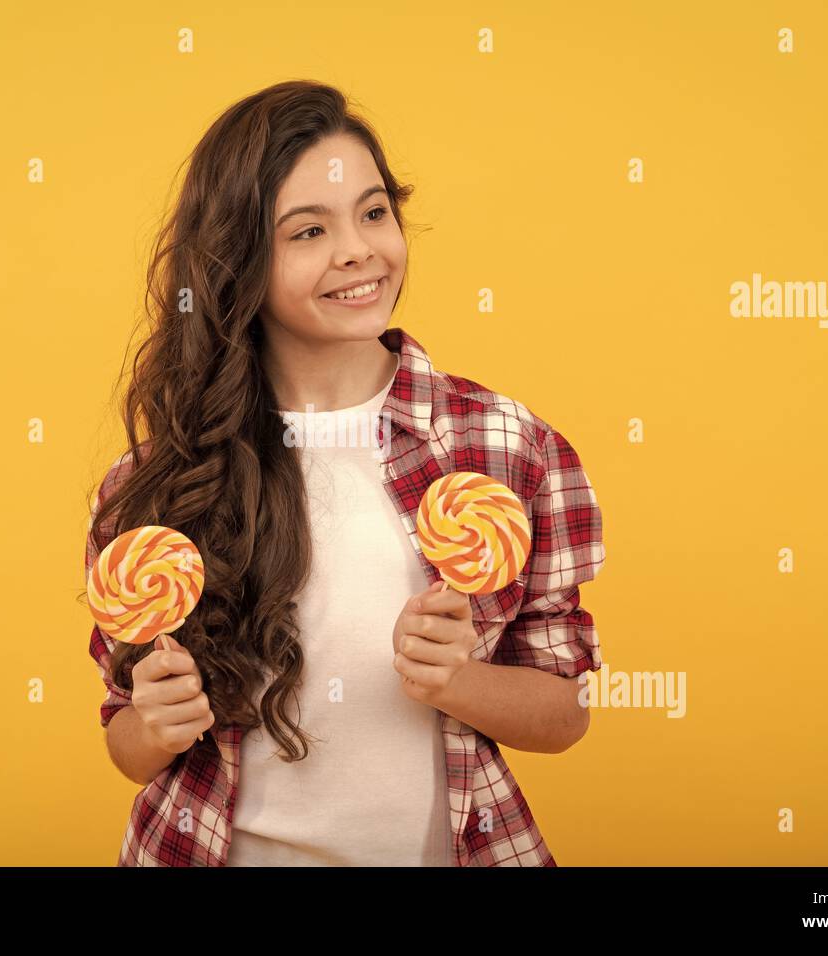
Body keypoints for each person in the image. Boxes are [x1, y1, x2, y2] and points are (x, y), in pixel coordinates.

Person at [84, 80, 605, 866]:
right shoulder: (159, 484)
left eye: (373, 212)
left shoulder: (505, 445)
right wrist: (153, 723)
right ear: (240, 264)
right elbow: (128, 745)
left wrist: (460, 680)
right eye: (307, 232)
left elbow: (567, 711)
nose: (358, 250)